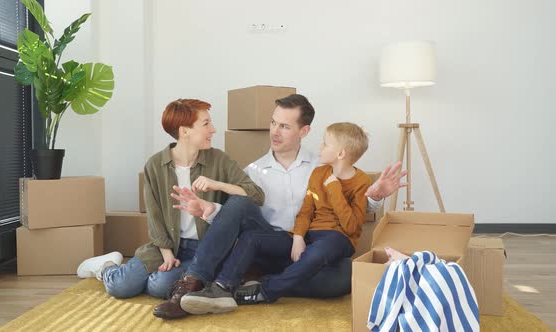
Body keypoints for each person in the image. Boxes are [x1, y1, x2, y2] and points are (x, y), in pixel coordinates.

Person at [154, 94, 407, 319]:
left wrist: (376, 196)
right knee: (241, 200)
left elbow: (352, 210)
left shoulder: (323, 166)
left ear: (304, 131)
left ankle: (253, 284)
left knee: (343, 277)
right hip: (270, 244)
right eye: (273, 123)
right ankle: (191, 284)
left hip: (312, 248)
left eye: (284, 126)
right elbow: (235, 217)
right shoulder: (252, 171)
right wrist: (208, 211)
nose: (274, 131)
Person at [75, 98, 264, 301]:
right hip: (165, 245)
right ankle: (106, 267)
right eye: (206, 123)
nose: (213, 129)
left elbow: (256, 195)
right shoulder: (155, 165)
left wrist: (217, 184)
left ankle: (162, 279)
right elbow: (154, 216)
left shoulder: (219, 160)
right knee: (120, 287)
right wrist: (166, 253)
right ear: (185, 131)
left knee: (159, 287)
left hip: (204, 249)